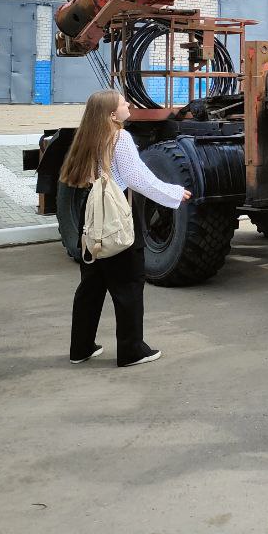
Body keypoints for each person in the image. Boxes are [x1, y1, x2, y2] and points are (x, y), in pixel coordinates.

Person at [61, 89, 190, 368]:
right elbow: (137, 178)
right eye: (122, 103)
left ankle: (80, 347)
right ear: (111, 114)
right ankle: (132, 350)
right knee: (128, 283)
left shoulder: (88, 137)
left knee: (91, 284)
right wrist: (174, 193)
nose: (128, 104)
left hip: (92, 213)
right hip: (116, 214)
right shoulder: (120, 137)